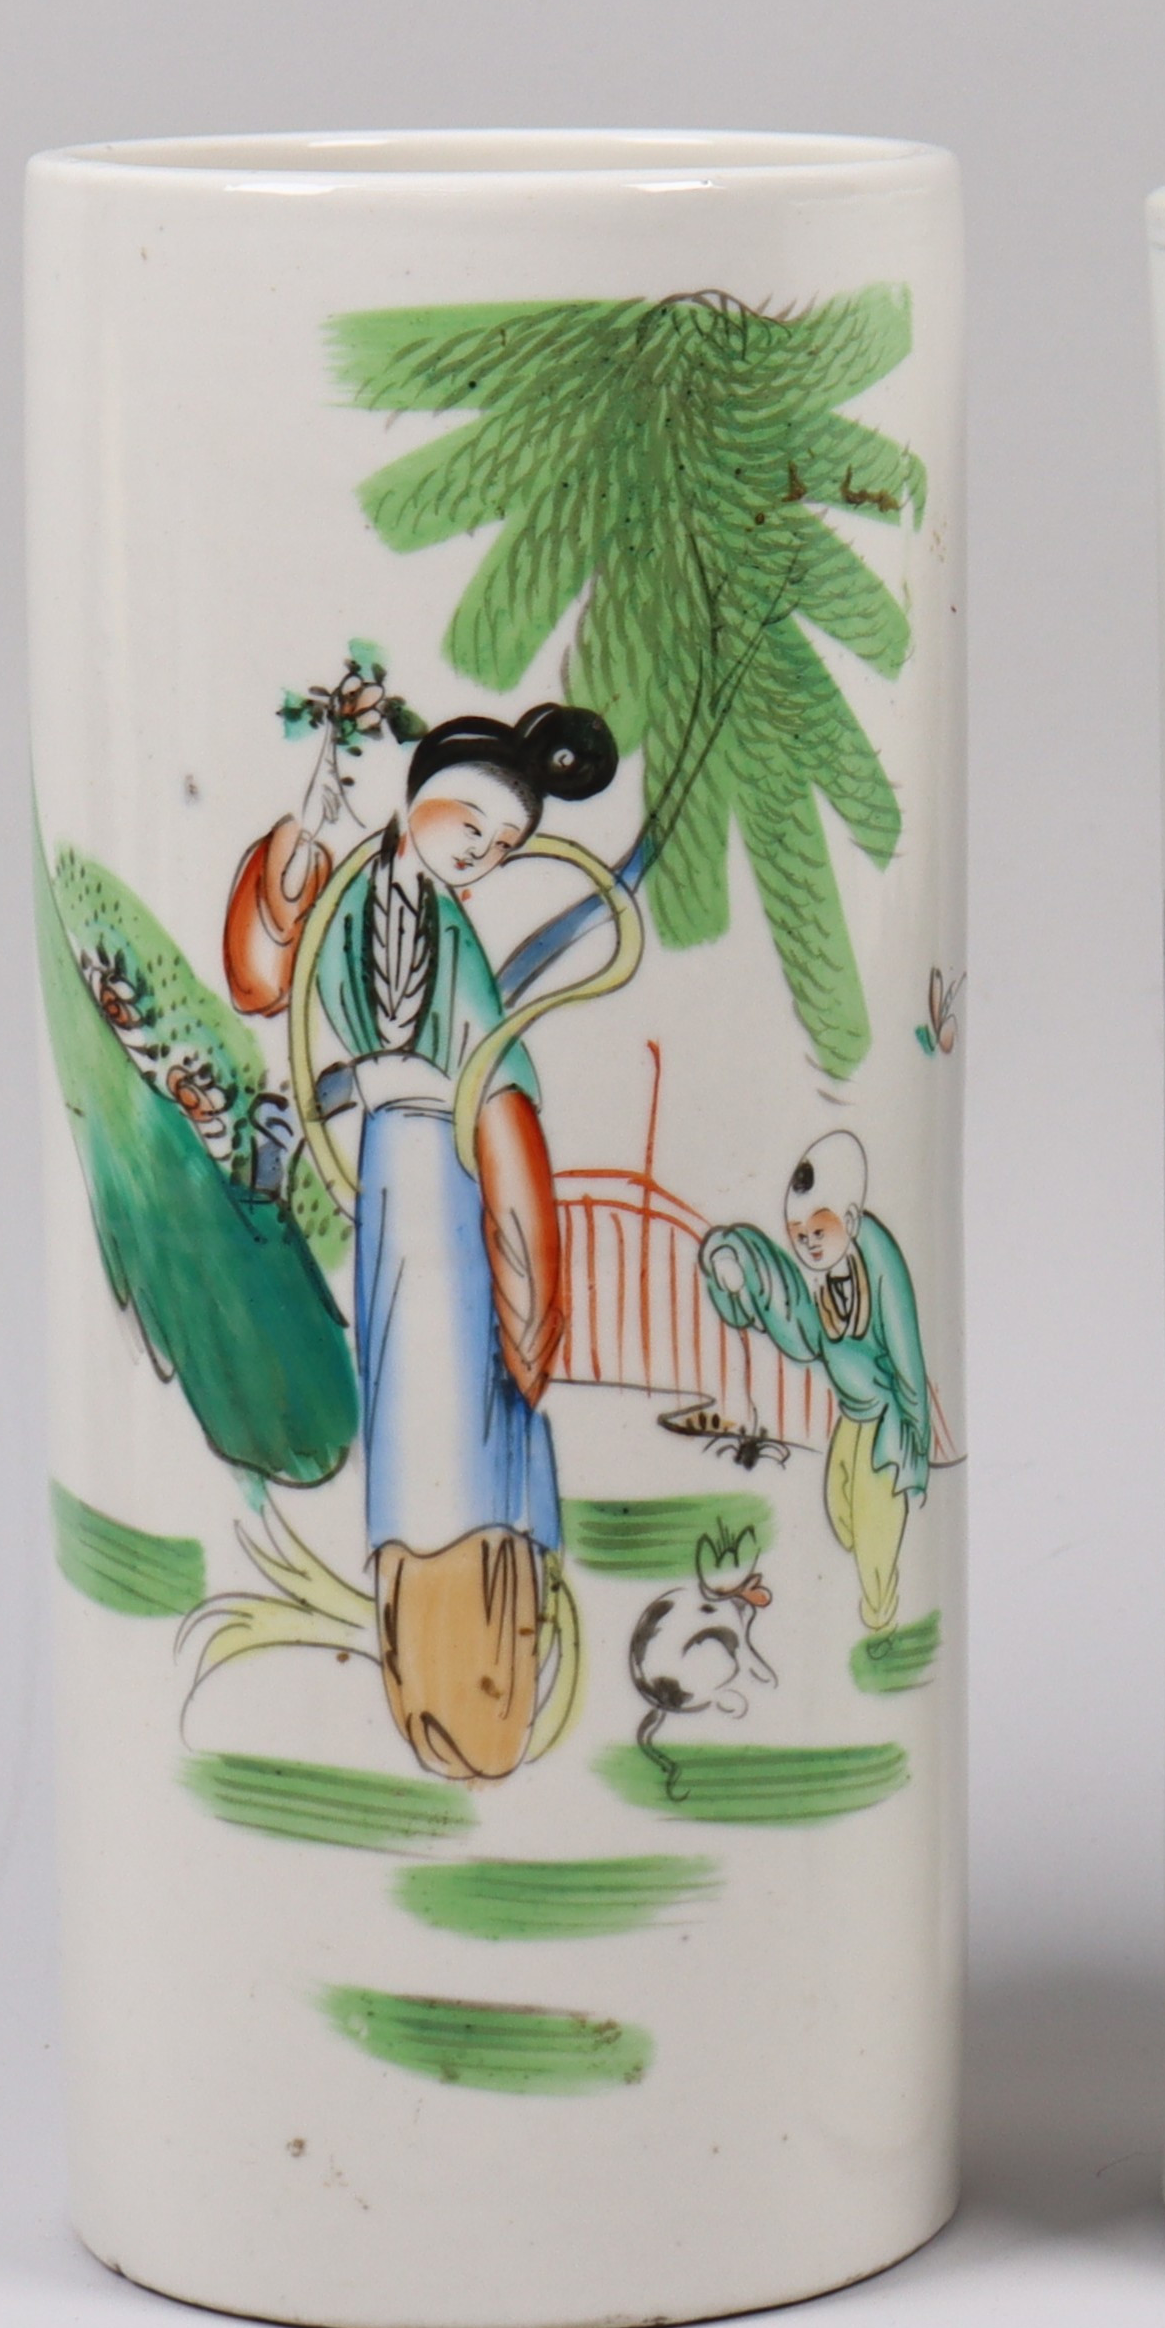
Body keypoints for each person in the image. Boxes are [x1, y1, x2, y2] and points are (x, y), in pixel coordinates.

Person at [224, 704, 617, 1778]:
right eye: (472, 826)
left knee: (458, 1410)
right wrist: (308, 827)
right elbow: (264, 976)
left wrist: (527, 1274)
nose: (480, 855)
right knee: (408, 1404)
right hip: (397, 1181)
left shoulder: (450, 935)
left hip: (449, 1175)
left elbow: (493, 1090)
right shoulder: (360, 890)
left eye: (501, 847)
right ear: (419, 797)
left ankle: (480, 1673)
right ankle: (432, 1670)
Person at [703, 1135, 930, 1634]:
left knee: (872, 1518)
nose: (807, 1243)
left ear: (849, 1220)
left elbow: (908, 1357)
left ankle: (880, 1623)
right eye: (798, 1234)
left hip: (886, 1422)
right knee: (840, 1509)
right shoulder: (821, 1274)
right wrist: (735, 1263)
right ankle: (872, 1594)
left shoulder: (879, 1262)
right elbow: (795, 1323)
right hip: (854, 1415)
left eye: (818, 1230)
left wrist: (917, 1436)